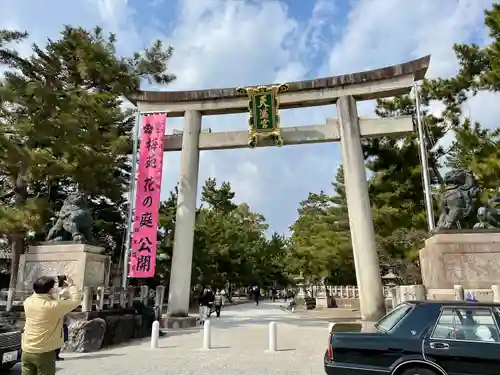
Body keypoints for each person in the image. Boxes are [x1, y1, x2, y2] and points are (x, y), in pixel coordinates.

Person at [21, 276, 81, 375]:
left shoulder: (28, 301)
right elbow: (76, 300)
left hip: (26, 350)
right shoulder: (54, 306)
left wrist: (52, 292)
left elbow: (40, 296)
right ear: (51, 290)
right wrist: (71, 285)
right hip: (44, 353)